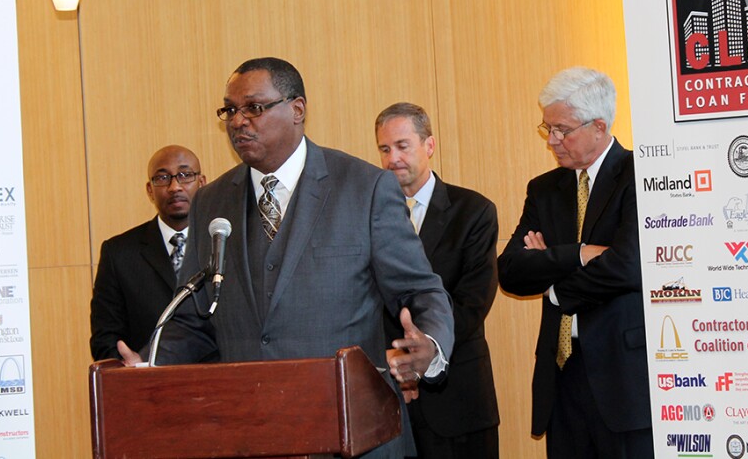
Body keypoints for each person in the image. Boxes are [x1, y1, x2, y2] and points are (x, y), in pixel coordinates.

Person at [118, 57, 454, 459]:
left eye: (254, 108)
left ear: (297, 110)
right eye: (230, 110)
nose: (239, 121)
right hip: (250, 434)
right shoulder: (212, 200)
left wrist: (430, 344)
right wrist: (151, 366)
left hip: (353, 433)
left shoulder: (364, 187)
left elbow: (419, 289)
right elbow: (193, 319)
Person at [498, 67, 651, 458]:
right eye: (547, 128)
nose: (552, 141)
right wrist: (578, 253)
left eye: (562, 129)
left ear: (599, 126)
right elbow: (511, 270)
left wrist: (553, 287)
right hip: (562, 377)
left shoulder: (639, 174)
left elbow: (628, 267)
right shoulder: (545, 189)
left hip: (623, 378)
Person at [375, 103, 500, 459]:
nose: (393, 158)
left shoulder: (473, 211)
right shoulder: (368, 215)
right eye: (385, 149)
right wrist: (399, 365)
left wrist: (421, 359)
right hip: (389, 399)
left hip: (456, 398)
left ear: (429, 145)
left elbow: (471, 304)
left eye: (402, 145)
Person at [89, 145, 206, 360]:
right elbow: (104, 337)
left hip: (216, 382)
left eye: (185, 175)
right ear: (149, 190)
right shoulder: (118, 253)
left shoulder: (223, 243)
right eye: (162, 178)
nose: (174, 187)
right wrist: (130, 365)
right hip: (145, 384)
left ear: (202, 183)